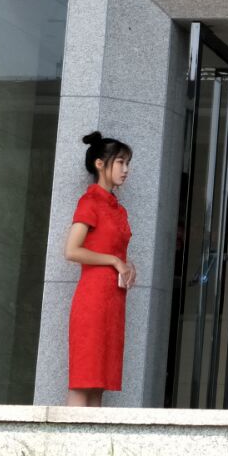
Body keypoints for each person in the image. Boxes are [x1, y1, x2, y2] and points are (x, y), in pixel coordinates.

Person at [64, 132, 135, 408]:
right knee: (84, 379)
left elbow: (114, 251)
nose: (126, 169)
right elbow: (72, 250)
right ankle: (70, 436)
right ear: (99, 164)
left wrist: (128, 266)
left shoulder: (118, 209)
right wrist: (114, 261)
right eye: (120, 162)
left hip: (113, 300)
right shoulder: (90, 202)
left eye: (127, 163)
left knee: (99, 383)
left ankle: (91, 437)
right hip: (92, 299)